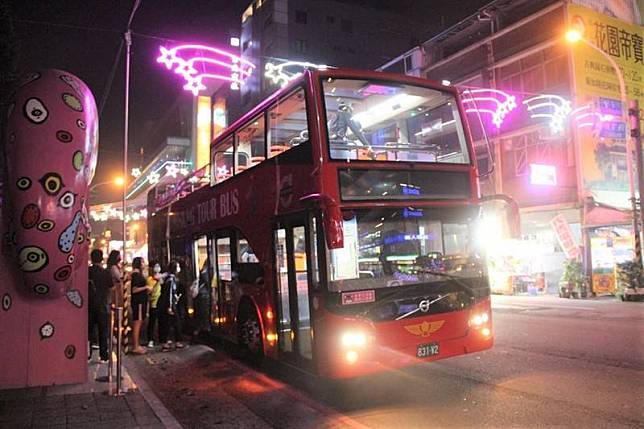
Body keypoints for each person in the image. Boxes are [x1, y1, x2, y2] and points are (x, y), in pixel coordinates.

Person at [88, 249, 114, 362]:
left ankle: (87, 354)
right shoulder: (105, 272)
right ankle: (103, 355)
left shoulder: (87, 272)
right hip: (103, 305)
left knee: (88, 331)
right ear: (102, 258)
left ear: (91, 258)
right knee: (103, 331)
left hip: (89, 305)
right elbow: (111, 288)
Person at [158, 261, 184, 351]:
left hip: (169, 304)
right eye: (178, 266)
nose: (179, 268)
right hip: (169, 305)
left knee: (169, 323)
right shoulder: (171, 280)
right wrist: (169, 306)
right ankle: (173, 342)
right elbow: (169, 294)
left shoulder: (168, 278)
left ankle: (168, 342)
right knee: (174, 323)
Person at [129, 257, 151, 354]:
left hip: (140, 302)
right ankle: (135, 346)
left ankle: (137, 345)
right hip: (139, 302)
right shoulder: (136, 276)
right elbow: (134, 290)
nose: (144, 263)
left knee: (139, 322)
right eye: (142, 262)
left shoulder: (137, 275)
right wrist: (146, 287)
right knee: (137, 323)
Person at [193, 259, 212, 339]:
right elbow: (208, 283)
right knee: (204, 313)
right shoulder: (205, 272)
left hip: (201, 295)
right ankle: (204, 331)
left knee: (202, 313)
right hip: (204, 295)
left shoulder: (203, 271)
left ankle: (200, 331)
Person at [146, 262, 163, 347]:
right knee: (152, 322)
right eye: (155, 266)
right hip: (154, 303)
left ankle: (161, 338)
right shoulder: (149, 279)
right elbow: (150, 291)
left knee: (161, 321)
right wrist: (157, 282)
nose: (157, 268)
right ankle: (150, 339)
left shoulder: (162, 277)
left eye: (158, 266)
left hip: (161, 302)